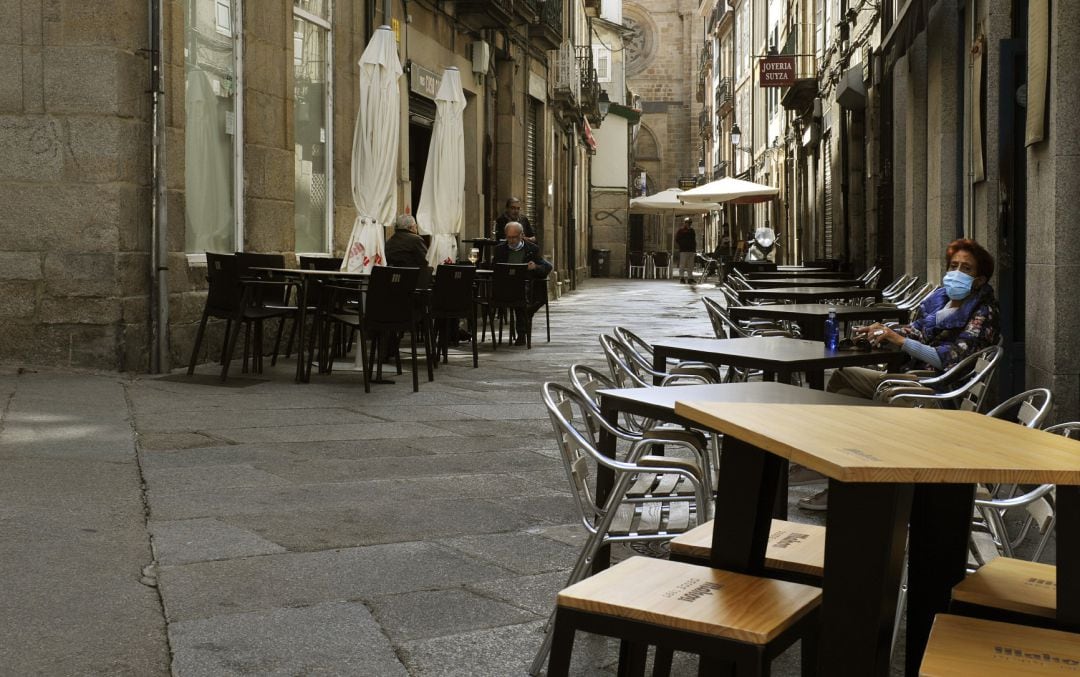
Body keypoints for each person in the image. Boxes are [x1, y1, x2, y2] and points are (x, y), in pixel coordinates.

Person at [793, 238, 1001, 511]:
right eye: (953, 266)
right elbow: (916, 329)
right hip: (911, 377)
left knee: (880, 400)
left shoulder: (982, 312)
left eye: (966, 269)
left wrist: (901, 342)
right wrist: (882, 329)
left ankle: (856, 481)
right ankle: (838, 460)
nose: (957, 273)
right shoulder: (943, 303)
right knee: (843, 378)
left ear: (979, 280)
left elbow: (947, 360)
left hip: (935, 390)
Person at [491, 222, 552, 345]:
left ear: (521, 235)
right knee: (520, 299)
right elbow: (495, 269)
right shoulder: (500, 250)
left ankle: (522, 333)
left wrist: (535, 267)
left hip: (526, 288)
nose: (512, 240)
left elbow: (547, 267)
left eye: (514, 237)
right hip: (505, 288)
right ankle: (523, 330)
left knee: (523, 297)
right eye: (509, 237)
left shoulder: (531, 249)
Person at [675, 217, 697, 283]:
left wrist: (694, 248)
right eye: (687, 222)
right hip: (684, 250)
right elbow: (677, 239)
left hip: (691, 250)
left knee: (691, 265)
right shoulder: (681, 230)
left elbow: (693, 240)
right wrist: (682, 244)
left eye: (690, 223)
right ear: (685, 223)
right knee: (682, 264)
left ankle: (690, 278)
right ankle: (682, 277)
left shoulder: (692, 230)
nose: (688, 224)